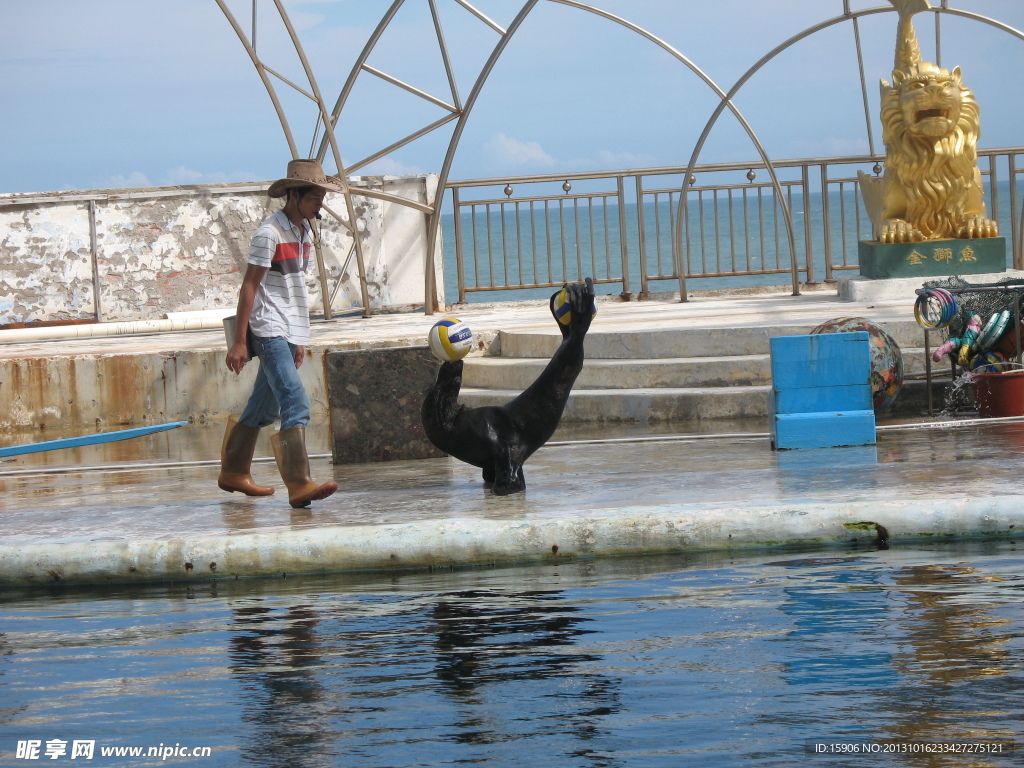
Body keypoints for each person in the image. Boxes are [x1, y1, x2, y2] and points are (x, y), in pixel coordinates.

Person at [218, 159, 341, 508]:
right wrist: (240, 342)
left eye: (322, 197)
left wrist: (298, 338)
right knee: (295, 401)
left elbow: (292, 289)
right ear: (294, 195)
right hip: (268, 329)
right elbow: (249, 286)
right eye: (315, 197)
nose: (320, 203)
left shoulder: (303, 231)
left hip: (287, 330)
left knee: (263, 405)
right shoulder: (268, 233)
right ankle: (299, 484)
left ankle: (232, 471)